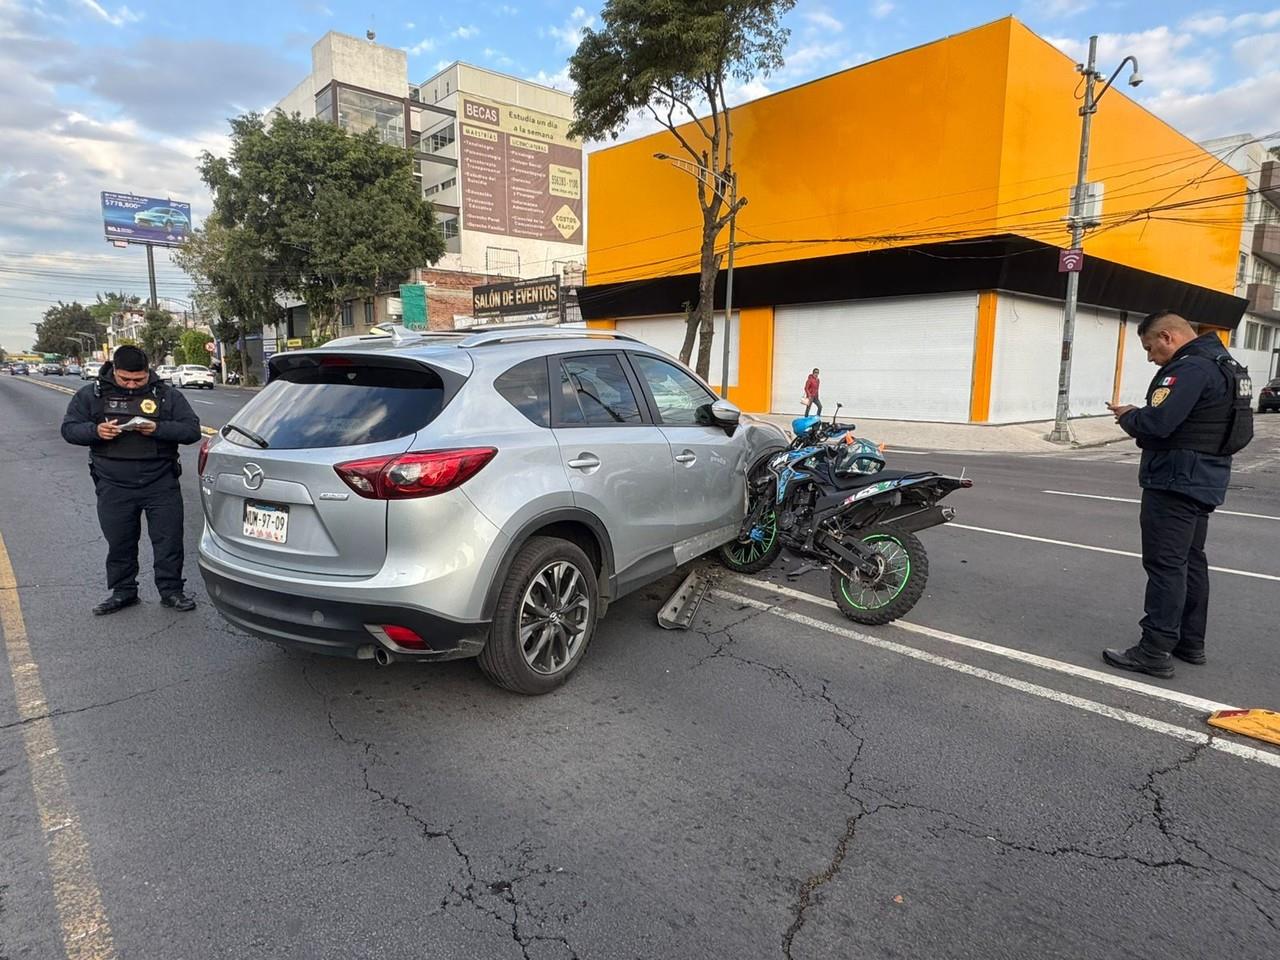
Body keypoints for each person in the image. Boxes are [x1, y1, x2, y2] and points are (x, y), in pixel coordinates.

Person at [1102, 310, 1250, 678]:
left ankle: (1153, 650)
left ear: (1167, 337)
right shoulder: (1228, 365)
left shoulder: (1190, 369)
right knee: (1190, 560)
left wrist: (1129, 416)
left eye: (1151, 348)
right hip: (1206, 478)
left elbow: (1157, 423)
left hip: (1174, 479)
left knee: (1166, 565)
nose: (1151, 357)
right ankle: (1189, 641)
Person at [61, 345, 202, 615]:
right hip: (113, 483)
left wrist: (158, 429)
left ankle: (172, 591)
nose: (132, 384)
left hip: (160, 481)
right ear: (114, 371)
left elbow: (191, 430)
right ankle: (123, 591)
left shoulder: (165, 394)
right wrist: (96, 431)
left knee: (168, 540)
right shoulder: (92, 395)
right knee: (120, 540)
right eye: (125, 379)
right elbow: (69, 429)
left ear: (148, 371)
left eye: (139, 379)